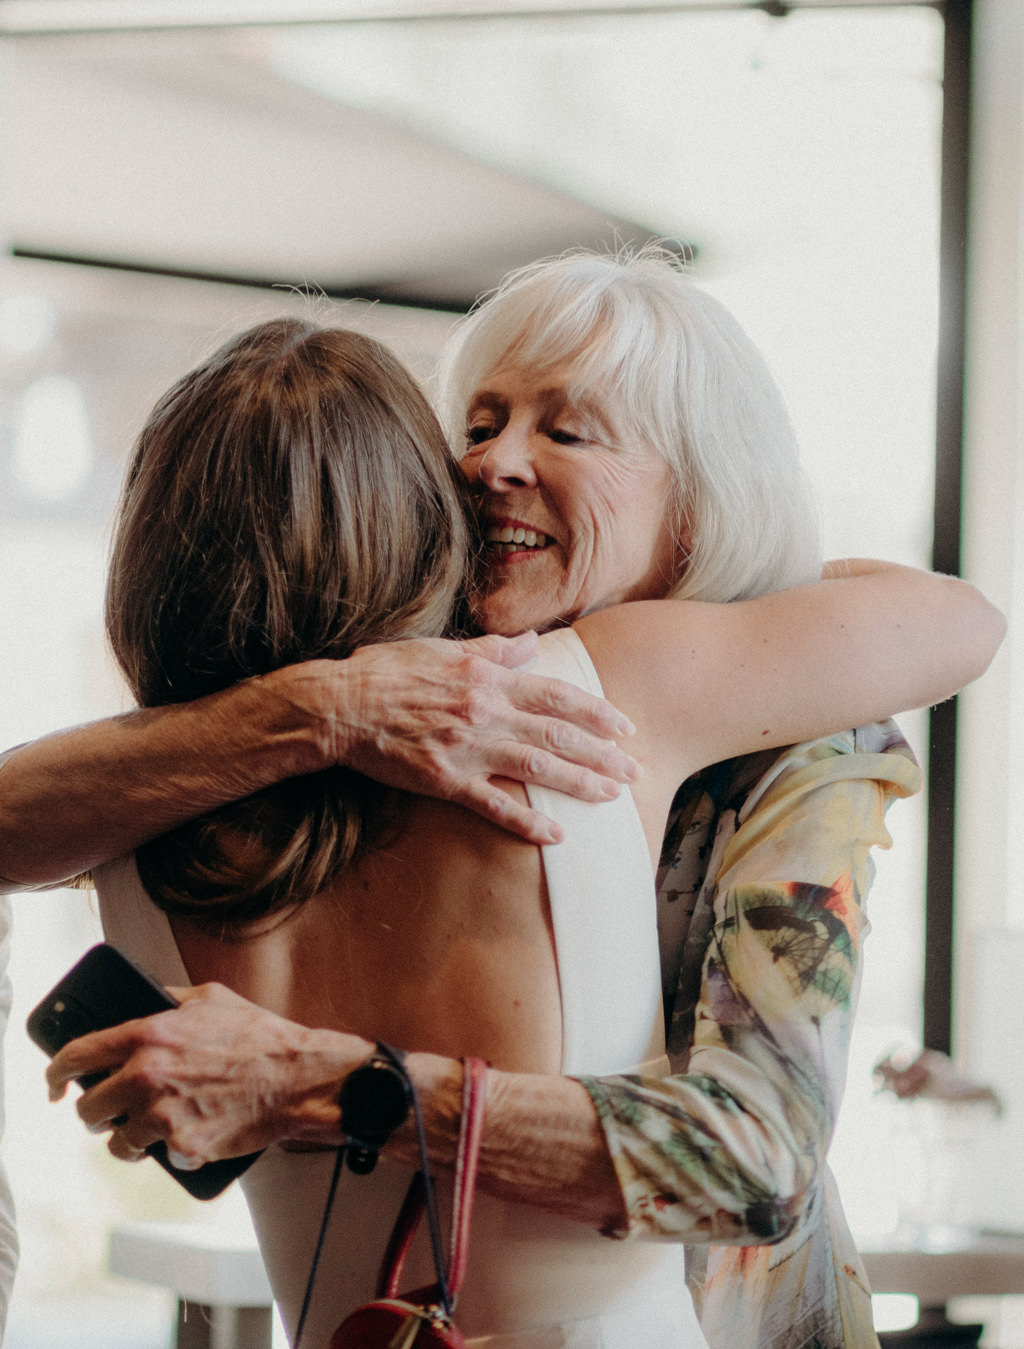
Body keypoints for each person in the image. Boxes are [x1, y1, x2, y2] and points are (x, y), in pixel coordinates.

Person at [1, 252, 1004, 1349]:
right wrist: (327, 704)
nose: (493, 465)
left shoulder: (143, 817)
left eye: (567, 433)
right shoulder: (438, 710)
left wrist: (321, 1083)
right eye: (473, 427)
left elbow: (753, 1156)